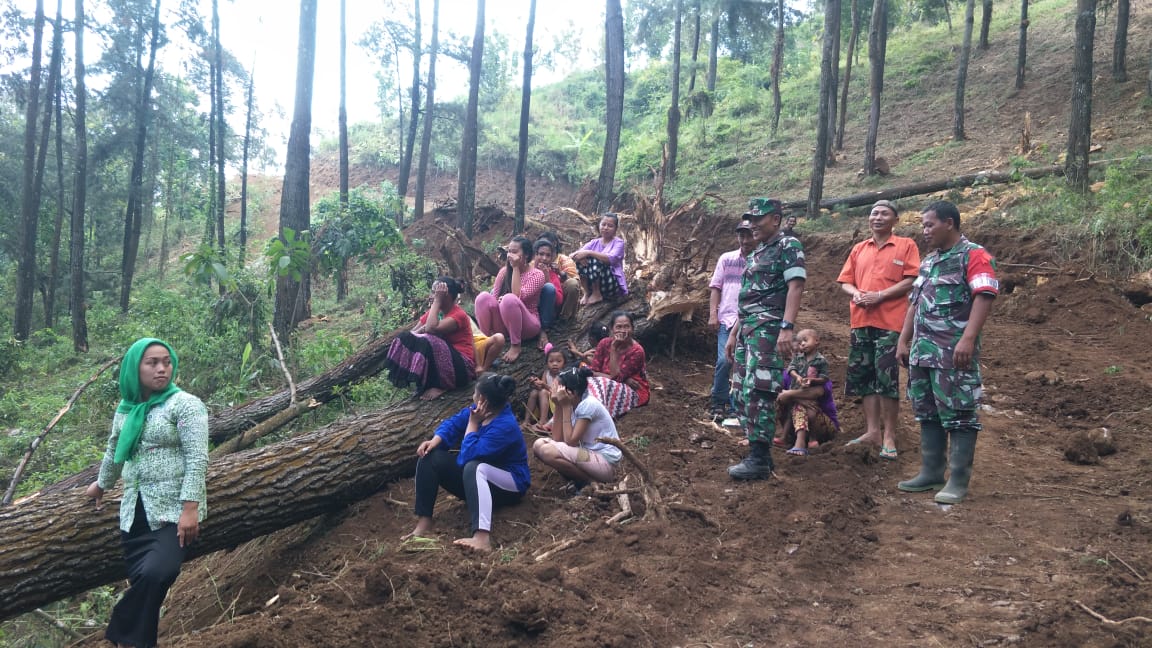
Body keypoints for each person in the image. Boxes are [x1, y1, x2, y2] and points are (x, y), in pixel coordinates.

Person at [85, 338, 209, 648]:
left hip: (171, 510)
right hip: (134, 511)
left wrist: (190, 508)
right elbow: (115, 449)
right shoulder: (126, 409)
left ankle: (118, 632)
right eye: (152, 363)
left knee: (157, 573)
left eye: (166, 362)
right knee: (145, 585)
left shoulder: (185, 404)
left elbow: (198, 457)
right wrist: (102, 484)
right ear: (134, 367)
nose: (161, 369)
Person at [897, 201, 998, 505]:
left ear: (949, 223)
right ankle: (931, 471)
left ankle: (958, 480)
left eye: (929, 225)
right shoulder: (929, 262)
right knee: (926, 411)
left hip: (953, 354)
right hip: (923, 353)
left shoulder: (974, 255)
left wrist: (968, 338)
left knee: (960, 415)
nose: (924, 231)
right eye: (923, 225)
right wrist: (904, 340)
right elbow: (915, 303)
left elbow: (984, 296)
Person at [725, 197, 806, 480]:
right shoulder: (758, 252)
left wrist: (787, 327)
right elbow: (746, 298)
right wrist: (734, 332)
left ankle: (760, 457)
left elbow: (795, 286)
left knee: (759, 389)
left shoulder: (788, 246)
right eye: (750, 219)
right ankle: (757, 452)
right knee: (739, 389)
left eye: (758, 219)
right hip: (747, 329)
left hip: (769, 327)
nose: (752, 224)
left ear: (776, 219)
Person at [406, 373, 531, 552]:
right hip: (480, 481)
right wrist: (435, 440)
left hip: (509, 486)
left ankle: (481, 538)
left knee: (474, 467)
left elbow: (467, 457)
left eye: (474, 393)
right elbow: (453, 423)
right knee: (430, 456)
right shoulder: (478, 411)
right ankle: (424, 522)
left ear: (482, 399)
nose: (472, 397)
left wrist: (473, 423)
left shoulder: (505, 425)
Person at [836, 199, 921, 460]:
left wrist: (880, 295)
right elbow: (845, 282)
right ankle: (872, 431)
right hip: (861, 321)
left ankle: (889, 436)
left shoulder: (906, 246)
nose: (878, 217)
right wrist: (858, 294)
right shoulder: (859, 249)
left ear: (895, 220)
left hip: (890, 323)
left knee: (887, 379)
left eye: (885, 214)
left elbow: (912, 279)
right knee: (865, 377)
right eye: (874, 213)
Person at [533, 366, 623, 494]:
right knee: (538, 445)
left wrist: (564, 406)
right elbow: (558, 439)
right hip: (590, 457)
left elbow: (570, 442)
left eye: (559, 389)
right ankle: (582, 481)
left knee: (547, 451)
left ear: (572, 393)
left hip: (606, 463)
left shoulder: (587, 404)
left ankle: (589, 482)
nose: (555, 392)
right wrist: (559, 405)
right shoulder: (572, 403)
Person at [385, 277, 476, 400]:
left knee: (430, 339)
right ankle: (423, 383)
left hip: (462, 369)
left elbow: (431, 329)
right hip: (444, 364)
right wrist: (421, 330)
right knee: (405, 337)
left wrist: (437, 301)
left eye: (435, 292)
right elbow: (412, 335)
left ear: (446, 295)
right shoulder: (434, 313)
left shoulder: (458, 315)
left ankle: (442, 386)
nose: (431, 295)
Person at [708, 218, 756, 424]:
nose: (745, 240)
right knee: (724, 360)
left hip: (752, 321)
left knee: (744, 363)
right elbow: (715, 287)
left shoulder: (760, 261)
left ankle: (739, 406)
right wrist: (713, 313)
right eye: (741, 235)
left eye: (749, 235)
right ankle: (718, 401)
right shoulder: (726, 259)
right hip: (728, 319)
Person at [475, 236, 546, 364]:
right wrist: (500, 301)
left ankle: (515, 346)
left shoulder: (537, 275)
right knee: (483, 297)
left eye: (515, 252)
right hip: (505, 323)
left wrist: (516, 268)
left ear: (526, 255)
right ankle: (484, 342)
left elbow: (518, 296)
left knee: (509, 299)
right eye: (509, 251)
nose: (510, 255)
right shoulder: (503, 272)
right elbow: (494, 300)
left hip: (528, 324)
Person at [773, 329, 840, 456]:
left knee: (799, 406)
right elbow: (777, 395)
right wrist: (796, 397)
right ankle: (774, 436)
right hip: (797, 421)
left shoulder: (819, 369)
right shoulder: (787, 374)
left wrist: (790, 395)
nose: (799, 352)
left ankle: (802, 442)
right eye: (796, 350)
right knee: (782, 402)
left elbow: (817, 393)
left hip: (823, 424)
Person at [588, 311, 650, 418]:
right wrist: (623, 379)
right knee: (582, 376)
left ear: (632, 329)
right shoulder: (604, 343)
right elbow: (592, 371)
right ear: (612, 329)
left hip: (632, 390)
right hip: (609, 382)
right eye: (619, 327)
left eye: (627, 327)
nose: (623, 331)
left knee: (603, 384)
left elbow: (616, 377)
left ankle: (594, 417)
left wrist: (614, 348)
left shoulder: (637, 351)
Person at [572, 213, 628, 305]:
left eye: (610, 226)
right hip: (593, 281)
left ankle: (596, 293)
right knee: (580, 261)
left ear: (615, 229)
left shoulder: (618, 243)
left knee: (596, 259)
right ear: (599, 225)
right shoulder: (594, 242)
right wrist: (580, 257)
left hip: (611, 283)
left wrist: (589, 253)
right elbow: (572, 255)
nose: (605, 228)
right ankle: (587, 293)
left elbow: (611, 259)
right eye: (603, 224)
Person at [533, 238, 569, 351]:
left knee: (549, 288)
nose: (544, 258)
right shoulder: (527, 270)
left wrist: (547, 277)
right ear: (535, 255)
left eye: (548, 255)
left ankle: (543, 330)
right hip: (529, 311)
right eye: (541, 254)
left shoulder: (552, 274)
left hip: (546, 315)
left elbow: (558, 301)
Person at [537, 231, 582, 320]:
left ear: (554, 244)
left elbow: (577, 284)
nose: (544, 258)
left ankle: (564, 319)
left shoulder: (564, 260)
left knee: (572, 284)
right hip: (542, 304)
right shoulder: (534, 262)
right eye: (541, 253)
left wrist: (560, 273)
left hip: (563, 301)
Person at [527, 344, 567, 432]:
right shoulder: (546, 373)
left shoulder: (563, 375)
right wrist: (536, 383)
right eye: (551, 361)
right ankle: (526, 421)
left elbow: (557, 392)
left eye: (558, 361)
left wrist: (544, 385)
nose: (555, 364)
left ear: (564, 363)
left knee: (543, 392)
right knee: (534, 392)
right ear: (547, 363)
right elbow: (542, 387)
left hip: (557, 403)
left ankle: (543, 421)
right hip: (546, 402)